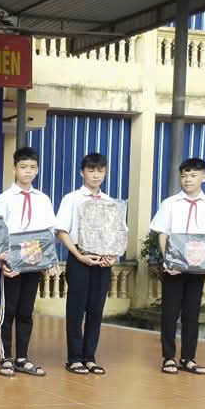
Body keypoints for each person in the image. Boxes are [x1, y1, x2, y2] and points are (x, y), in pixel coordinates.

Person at [149, 157, 205, 375]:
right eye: (184, 175)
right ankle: (168, 358)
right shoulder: (170, 203)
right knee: (170, 312)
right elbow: (162, 234)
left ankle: (188, 358)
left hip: (198, 267)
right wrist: (168, 261)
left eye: (193, 175)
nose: (187, 180)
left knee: (192, 314)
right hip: (174, 267)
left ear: (204, 177)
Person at [55, 152, 124, 376]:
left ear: (105, 173)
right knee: (76, 310)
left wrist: (114, 256)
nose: (96, 175)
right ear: (82, 173)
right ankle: (74, 358)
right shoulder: (72, 199)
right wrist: (78, 255)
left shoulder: (111, 202)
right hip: (80, 259)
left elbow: (119, 233)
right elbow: (61, 231)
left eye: (100, 171)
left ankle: (90, 357)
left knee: (96, 310)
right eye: (91, 170)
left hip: (103, 262)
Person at [0, 146, 57, 378]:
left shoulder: (43, 199)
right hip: (11, 262)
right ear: (14, 169)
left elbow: (49, 232)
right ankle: (6, 358)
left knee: (26, 311)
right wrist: (2, 262)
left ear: (37, 170)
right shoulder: (4, 199)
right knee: (8, 310)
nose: (28, 171)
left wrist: (50, 261)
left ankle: (22, 357)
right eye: (23, 167)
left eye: (32, 167)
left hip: (34, 261)